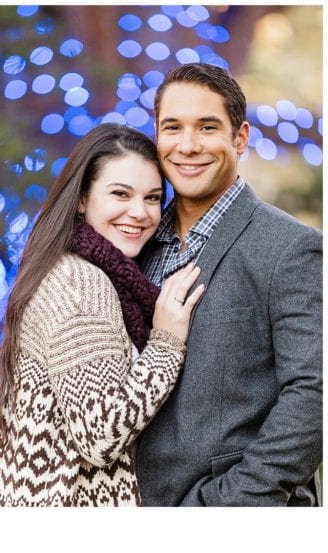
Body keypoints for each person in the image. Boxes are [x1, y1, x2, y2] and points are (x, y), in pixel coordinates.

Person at [136, 63, 322, 506]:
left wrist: (227, 506)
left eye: (207, 127)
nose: (188, 145)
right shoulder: (135, 248)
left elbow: (314, 392)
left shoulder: (292, 248)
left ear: (240, 138)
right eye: (172, 127)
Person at [0, 123, 204, 506]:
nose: (139, 213)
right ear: (82, 199)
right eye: (120, 194)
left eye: (153, 198)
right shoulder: (81, 284)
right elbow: (100, 435)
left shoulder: (64, 267)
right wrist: (166, 343)